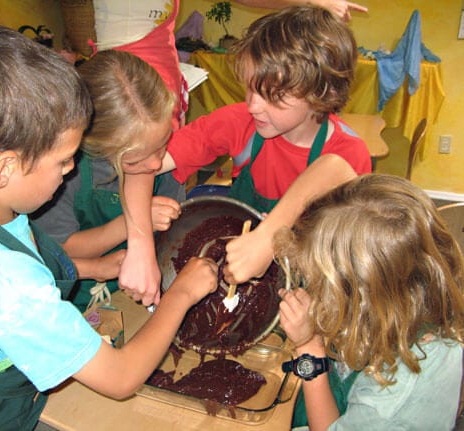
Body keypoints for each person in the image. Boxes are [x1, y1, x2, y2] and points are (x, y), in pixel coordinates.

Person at [0, 20, 217, 430]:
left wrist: (90, 268)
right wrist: (181, 293)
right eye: (64, 160)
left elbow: (13, 255)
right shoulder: (9, 289)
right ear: (4, 168)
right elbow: (121, 377)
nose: (71, 169)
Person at [95, 0, 369, 307]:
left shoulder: (346, 150)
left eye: (273, 96)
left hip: (312, 289)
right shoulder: (239, 123)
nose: (253, 106)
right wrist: (141, 246)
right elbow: (142, 162)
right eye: (250, 89)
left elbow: (335, 169)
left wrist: (269, 237)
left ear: (322, 94)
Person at [275, 173, 464, 430]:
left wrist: (309, 348)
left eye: (321, 283)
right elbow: (332, 166)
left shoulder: (397, 389)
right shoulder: (406, 293)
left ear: (360, 296)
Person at [33, 49, 184, 310]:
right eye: (135, 161)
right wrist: (129, 224)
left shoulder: (154, 154)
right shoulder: (66, 174)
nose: (157, 164)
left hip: (144, 284)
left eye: (162, 145)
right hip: (82, 297)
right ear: (94, 144)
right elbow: (59, 251)